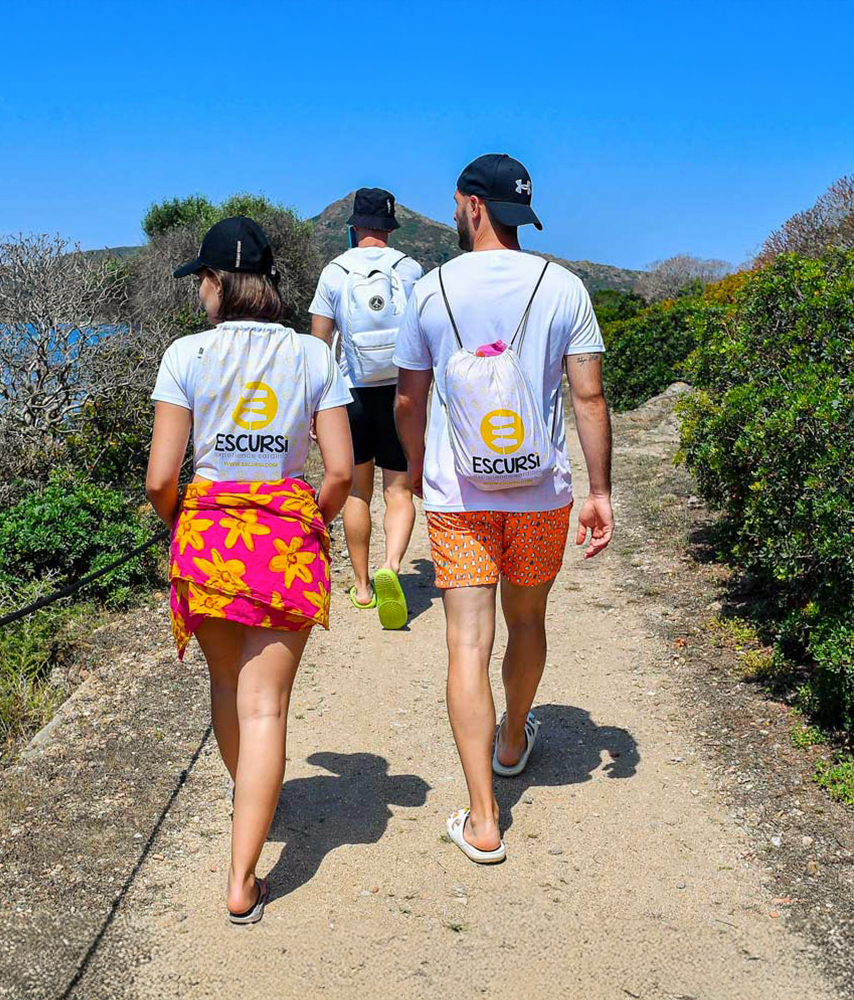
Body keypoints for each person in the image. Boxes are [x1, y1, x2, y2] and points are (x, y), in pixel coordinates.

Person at [392, 154, 614, 864]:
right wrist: (601, 491)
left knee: (466, 645)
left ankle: (484, 819)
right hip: (541, 493)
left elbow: (409, 397)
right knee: (527, 620)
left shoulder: (430, 291)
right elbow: (588, 397)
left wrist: (414, 473)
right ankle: (514, 737)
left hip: (459, 496)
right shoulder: (565, 287)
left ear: (470, 205)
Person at [144, 216, 354, 922]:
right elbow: (342, 472)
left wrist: (183, 521)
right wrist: (310, 524)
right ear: (268, 281)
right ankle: (242, 880)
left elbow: (159, 478)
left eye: (200, 282)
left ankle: (249, 798)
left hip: (206, 539)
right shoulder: (312, 358)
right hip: (285, 540)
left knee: (228, 684)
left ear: (212, 282)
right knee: (267, 705)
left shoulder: (186, 356)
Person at [309, 187, 425, 630]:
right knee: (398, 490)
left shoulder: (334, 273)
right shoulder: (411, 270)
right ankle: (392, 567)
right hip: (400, 394)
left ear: (355, 226)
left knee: (358, 491)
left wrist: (314, 410)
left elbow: (319, 345)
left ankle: (361, 586)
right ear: (391, 227)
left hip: (350, 394)